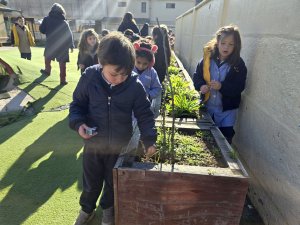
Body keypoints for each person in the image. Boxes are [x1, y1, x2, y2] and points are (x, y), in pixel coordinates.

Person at [69, 31, 157, 225]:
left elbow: (144, 114)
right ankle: (87, 209)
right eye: (114, 74)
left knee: (112, 183)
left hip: (119, 146)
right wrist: (78, 123)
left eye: (125, 73)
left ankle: (108, 209)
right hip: (93, 144)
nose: (119, 78)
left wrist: (149, 139)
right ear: (101, 63)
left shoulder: (134, 85)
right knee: (91, 183)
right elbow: (77, 106)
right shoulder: (90, 78)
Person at [192, 25, 247, 144]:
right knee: (206, 140)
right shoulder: (207, 59)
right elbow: (197, 76)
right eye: (223, 43)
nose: (226, 47)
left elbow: (239, 87)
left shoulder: (238, 64)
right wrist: (201, 86)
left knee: (225, 139)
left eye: (231, 44)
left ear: (236, 46)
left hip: (227, 111)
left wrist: (222, 86)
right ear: (217, 42)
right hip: (208, 107)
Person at [39, 3, 74, 85]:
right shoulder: (64, 22)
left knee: (47, 57)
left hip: (50, 43)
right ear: (62, 11)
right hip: (63, 45)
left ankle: (47, 70)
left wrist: (43, 25)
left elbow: (42, 30)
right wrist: (71, 46)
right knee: (62, 62)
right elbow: (69, 34)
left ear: (51, 10)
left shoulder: (46, 19)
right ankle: (63, 79)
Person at [133, 39, 162, 118]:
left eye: (145, 64)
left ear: (150, 62)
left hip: (144, 105)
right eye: (138, 62)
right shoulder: (128, 69)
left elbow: (158, 88)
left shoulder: (152, 72)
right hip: (129, 104)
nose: (141, 66)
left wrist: (149, 95)